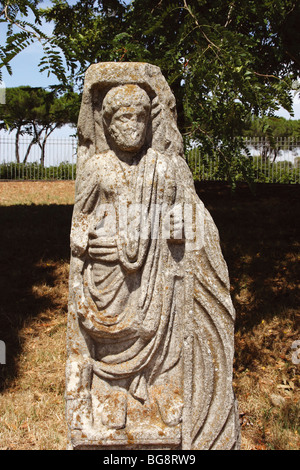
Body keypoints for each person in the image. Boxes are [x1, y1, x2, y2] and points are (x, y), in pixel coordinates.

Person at [66, 63, 240, 450]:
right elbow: (77, 226)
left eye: (140, 117)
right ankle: (110, 399)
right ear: (108, 125)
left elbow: (186, 214)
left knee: (162, 334)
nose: (132, 125)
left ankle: (164, 392)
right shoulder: (97, 168)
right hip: (108, 278)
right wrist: (87, 241)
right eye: (123, 118)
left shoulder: (164, 167)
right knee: (111, 343)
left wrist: (182, 226)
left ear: (149, 121)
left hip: (158, 276)